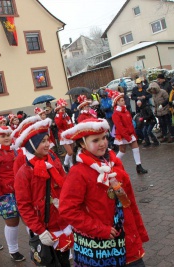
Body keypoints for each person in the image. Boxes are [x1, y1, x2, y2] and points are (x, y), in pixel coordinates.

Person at [58, 119, 149, 267]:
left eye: (104, 137)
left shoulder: (113, 162)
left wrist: (138, 231)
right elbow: (68, 210)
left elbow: (129, 202)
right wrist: (99, 229)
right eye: (96, 140)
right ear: (82, 143)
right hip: (102, 244)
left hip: (128, 239)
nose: (103, 143)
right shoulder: (78, 172)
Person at [14, 118, 73, 267]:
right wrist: (39, 231)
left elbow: (65, 185)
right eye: (42, 141)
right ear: (32, 145)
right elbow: (24, 205)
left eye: (47, 139)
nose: (48, 144)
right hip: (45, 227)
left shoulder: (53, 159)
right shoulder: (24, 172)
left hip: (62, 221)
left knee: (65, 261)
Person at [0, 126, 26, 262]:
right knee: (12, 223)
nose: (7, 137)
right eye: (3, 136)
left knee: (31, 220)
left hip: (23, 192)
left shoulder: (17, 151)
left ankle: (37, 246)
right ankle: (13, 251)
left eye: (8, 134)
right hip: (6, 195)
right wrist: (0, 195)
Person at [112, 91, 148, 174]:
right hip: (122, 135)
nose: (123, 101)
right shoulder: (116, 114)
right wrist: (127, 137)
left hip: (130, 133)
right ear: (117, 102)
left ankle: (139, 166)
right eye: (121, 100)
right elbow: (120, 127)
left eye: (123, 100)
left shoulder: (126, 111)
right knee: (122, 151)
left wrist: (133, 133)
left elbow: (131, 123)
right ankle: (113, 164)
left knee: (136, 148)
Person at [54, 98, 74, 170]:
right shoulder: (57, 116)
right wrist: (61, 114)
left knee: (71, 151)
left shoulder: (66, 115)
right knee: (70, 152)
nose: (63, 110)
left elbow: (70, 123)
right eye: (61, 109)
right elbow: (59, 124)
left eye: (64, 108)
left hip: (69, 134)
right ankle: (65, 164)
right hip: (63, 135)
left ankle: (71, 164)